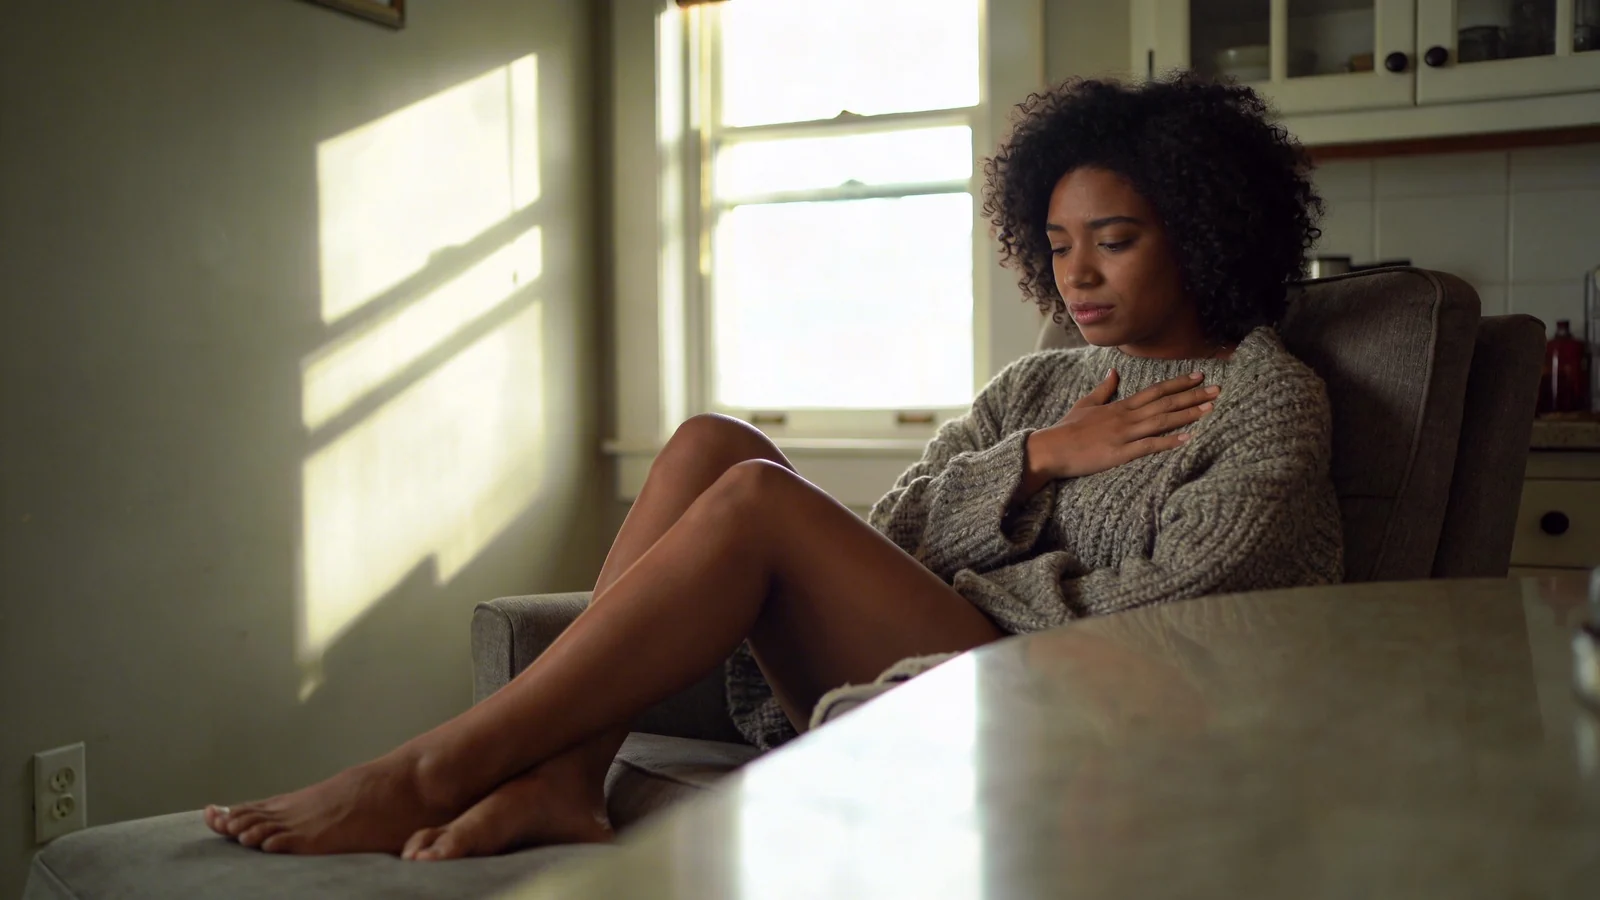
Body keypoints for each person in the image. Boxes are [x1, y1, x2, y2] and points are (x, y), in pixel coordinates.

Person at [204, 73, 1343, 860]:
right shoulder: (1036, 390)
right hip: (945, 670)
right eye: (1056, 245)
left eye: (1115, 240)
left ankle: (423, 773)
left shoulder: (1266, 403)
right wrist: (1034, 463)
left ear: (1203, 231)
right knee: (714, 442)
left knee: (755, 500)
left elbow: (1184, 630)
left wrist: (983, 579)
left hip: (1072, 727)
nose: (1076, 275)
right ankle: (562, 777)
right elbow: (891, 529)